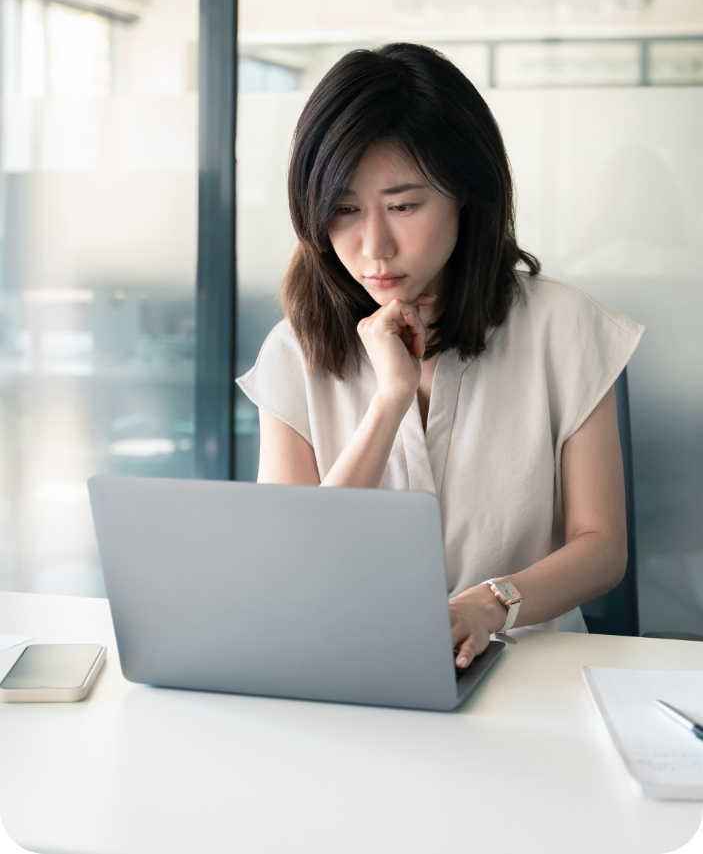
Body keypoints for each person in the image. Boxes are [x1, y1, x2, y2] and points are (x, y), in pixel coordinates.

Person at [236, 43, 644, 669]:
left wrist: (488, 605)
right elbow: (292, 564)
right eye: (344, 209)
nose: (374, 244)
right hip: (350, 666)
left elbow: (602, 546)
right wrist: (389, 400)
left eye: (403, 205)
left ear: (466, 195)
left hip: (534, 670)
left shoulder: (563, 326)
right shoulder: (294, 350)